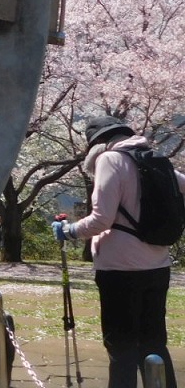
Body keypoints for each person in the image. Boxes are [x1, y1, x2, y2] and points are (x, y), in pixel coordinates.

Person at [54, 115, 185, 388]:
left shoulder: (110, 160)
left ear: (98, 143)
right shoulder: (155, 162)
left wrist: (69, 230)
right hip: (158, 265)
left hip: (119, 271)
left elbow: (101, 219)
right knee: (154, 345)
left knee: (122, 348)